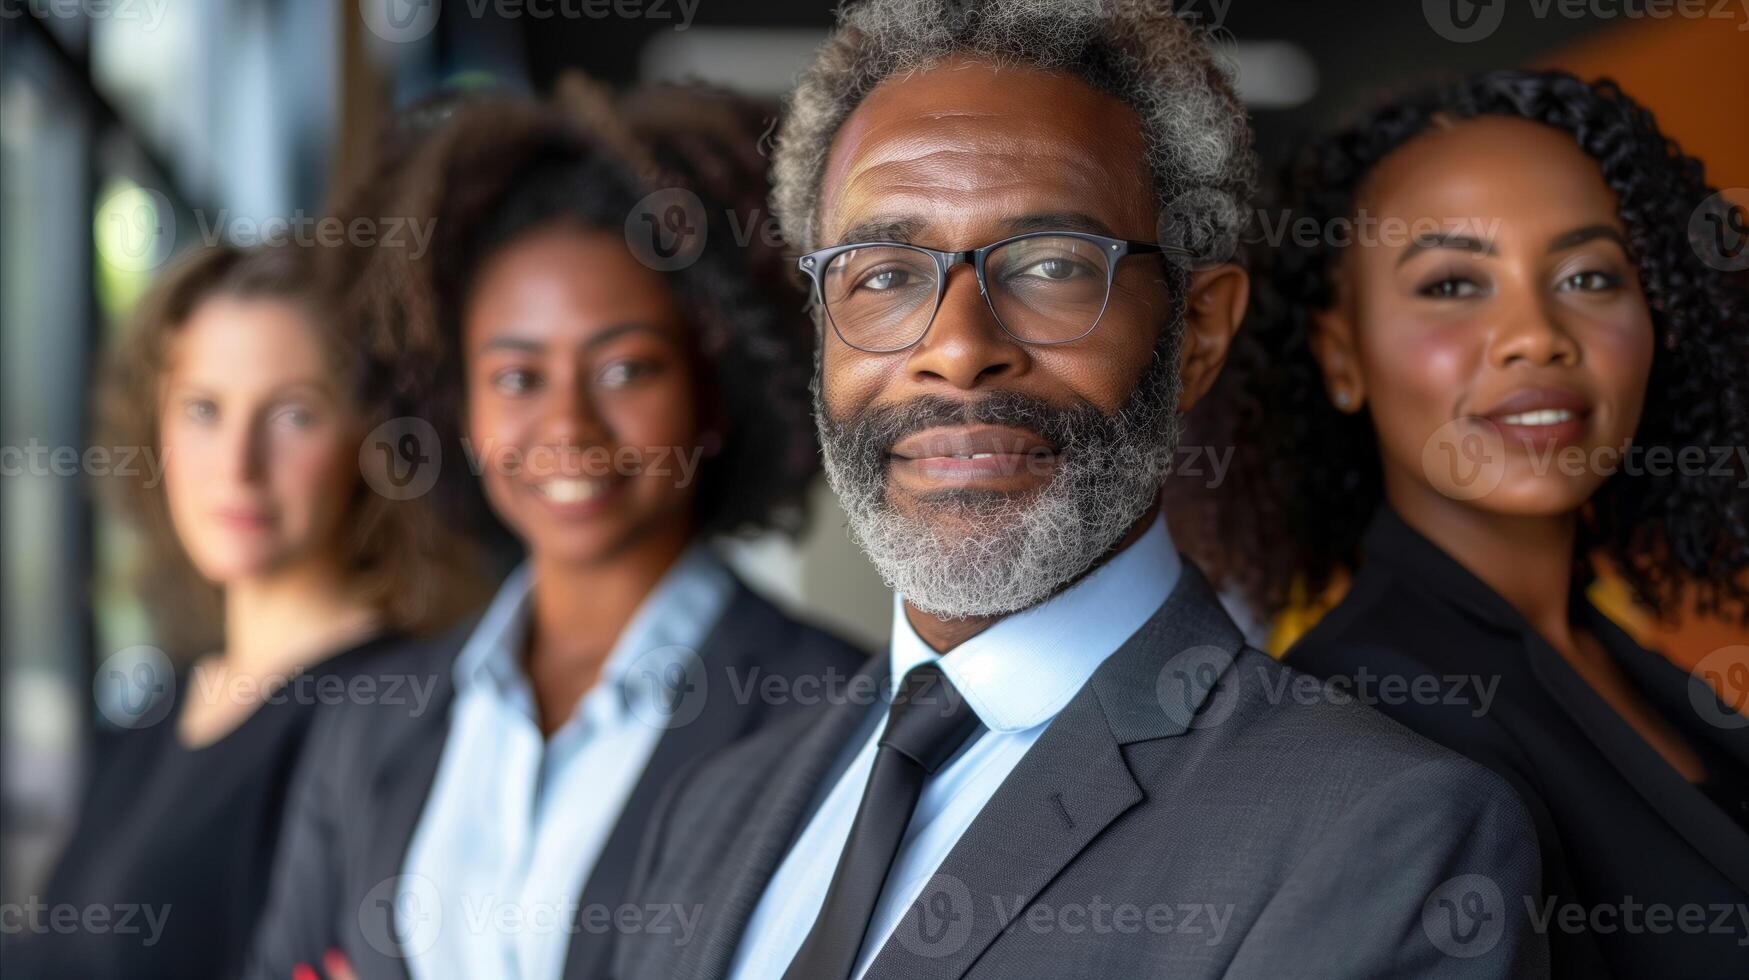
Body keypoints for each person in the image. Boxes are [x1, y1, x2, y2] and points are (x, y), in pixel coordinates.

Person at [613, 3, 1547, 979]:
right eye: (884, 273)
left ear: (1201, 331)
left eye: (1053, 265)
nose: (957, 348)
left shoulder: (1381, 842)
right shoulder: (711, 807)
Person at [244, 86, 866, 980]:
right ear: (457, 408)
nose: (569, 426)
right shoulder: (368, 722)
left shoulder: (836, 718)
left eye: (624, 368)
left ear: (711, 395)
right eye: (518, 377)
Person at [1218, 69, 1749, 978]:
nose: (1535, 333)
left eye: (1588, 275)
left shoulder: (1627, 663)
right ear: (1340, 356)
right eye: (1454, 283)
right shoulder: (1351, 726)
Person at [10, 242, 473, 980]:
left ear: (371, 440)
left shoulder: (398, 720)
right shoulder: (157, 713)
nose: (237, 464)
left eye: (293, 414)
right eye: (203, 410)